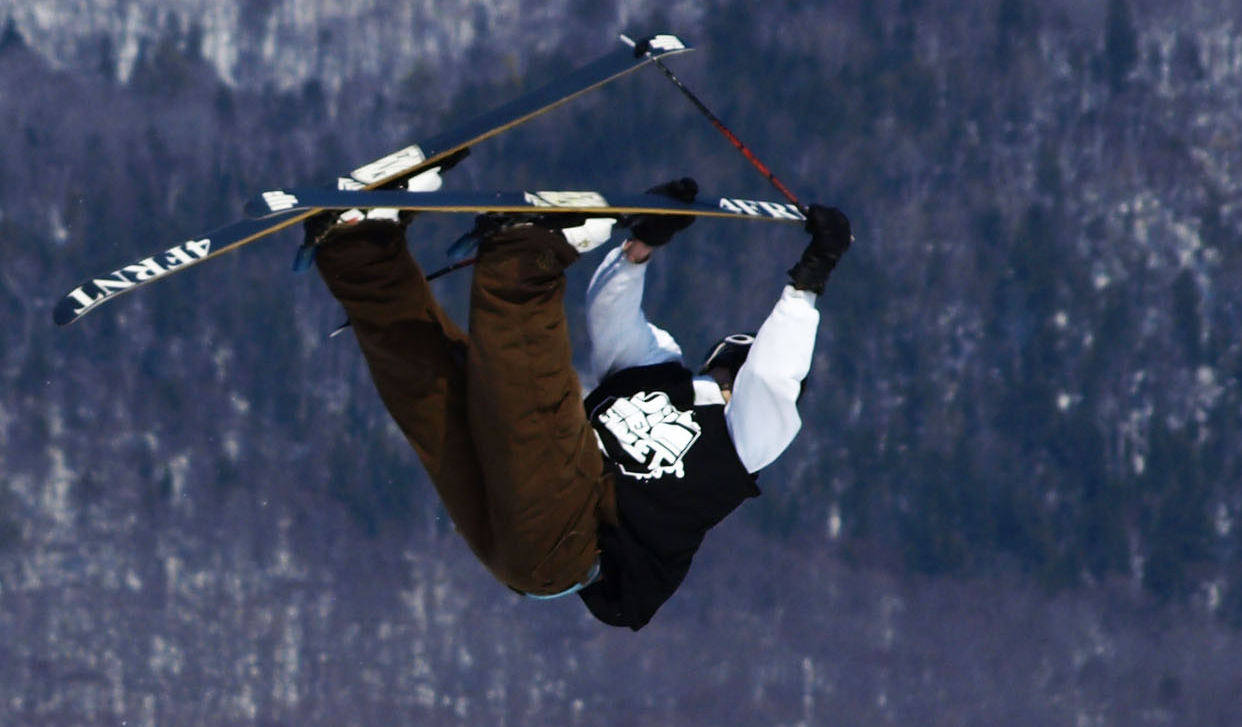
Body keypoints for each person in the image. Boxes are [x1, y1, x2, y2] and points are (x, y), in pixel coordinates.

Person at [309, 175, 852, 630]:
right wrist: (639, 249)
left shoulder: (745, 442)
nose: (740, 378)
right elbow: (612, 318)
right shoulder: (662, 374)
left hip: (572, 541)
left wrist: (807, 283)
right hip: (524, 538)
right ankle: (360, 252)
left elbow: (777, 376)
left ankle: (524, 255)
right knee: (440, 391)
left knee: (537, 402)